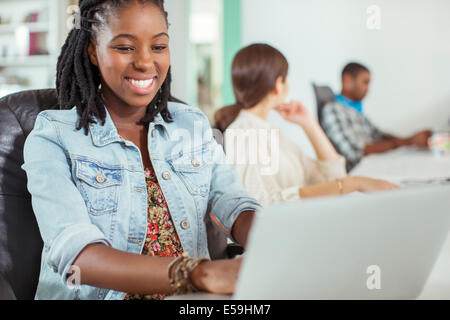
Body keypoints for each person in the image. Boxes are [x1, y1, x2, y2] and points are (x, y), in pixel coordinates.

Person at [21, 0, 261, 300]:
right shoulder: (54, 136)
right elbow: (77, 255)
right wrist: (195, 273)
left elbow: (232, 201)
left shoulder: (191, 123)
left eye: (158, 47)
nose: (146, 62)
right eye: (125, 48)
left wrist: (272, 244)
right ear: (93, 51)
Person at [216, 44, 399, 207]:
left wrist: (309, 124)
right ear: (278, 85)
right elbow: (258, 206)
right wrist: (354, 183)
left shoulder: (270, 130)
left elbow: (334, 178)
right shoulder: (241, 132)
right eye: (286, 78)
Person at [321, 62, 431, 171]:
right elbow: (355, 152)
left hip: (374, 163)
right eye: (365, 82)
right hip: (359, 171)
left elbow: (378, 135)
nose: (368, 89)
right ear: (347, 80)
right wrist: (408, 142)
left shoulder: (354, 111)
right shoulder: (333, 110)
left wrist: (412, 140)